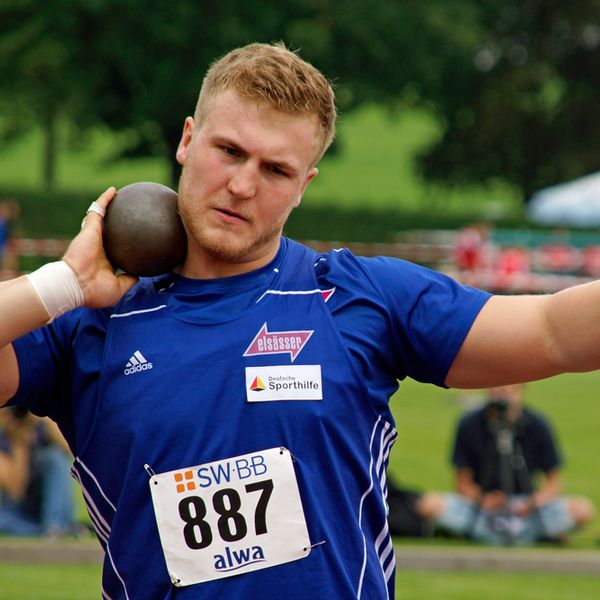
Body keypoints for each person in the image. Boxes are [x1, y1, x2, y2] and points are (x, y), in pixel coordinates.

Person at [1, 42, 600, 599]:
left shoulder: (359, 298)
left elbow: (551, 330)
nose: (241, 185)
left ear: (303, 185)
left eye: (275, 170)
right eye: (229, 151)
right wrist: (65, 284)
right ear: (188, 139)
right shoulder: (88, 321)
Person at [417, 384, 595, 545]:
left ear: (522, 390)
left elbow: (554, 484)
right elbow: (462, 483)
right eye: (497, 387)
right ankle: (529, 535)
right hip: (483, 507)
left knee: (582, 509)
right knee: (429, 504)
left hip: (525, 507)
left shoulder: (537, 424)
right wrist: (483, 499)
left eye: (511, 388)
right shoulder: (469, 423)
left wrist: (531, 503)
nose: (504, 394)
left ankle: (492, 534)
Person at [0, 407, 76, 537]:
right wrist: (19, 445)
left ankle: (54, 526)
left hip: (53, 504)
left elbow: (76, 456)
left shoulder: (43, 430)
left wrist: (47, 421)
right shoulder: (4, 441)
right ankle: (50, 531)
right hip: (19, 512)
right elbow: (17, 491)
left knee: (55, 457)